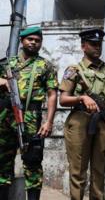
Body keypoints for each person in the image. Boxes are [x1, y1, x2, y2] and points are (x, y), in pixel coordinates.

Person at [59, 28, 105, 200]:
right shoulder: (74, 70)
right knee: (78, 170)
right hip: (80, 121)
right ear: (83, 46)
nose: (97, 48)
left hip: (104, 122)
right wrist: (81, 98)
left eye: (99, 44)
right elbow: (63, 99)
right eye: (93, 44)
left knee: (99, 170)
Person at [0, 26, 58, 200]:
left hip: (31, 119)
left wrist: (49, 122)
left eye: (37, 40)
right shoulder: (6, 64)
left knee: (33, 162)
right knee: (2, 163)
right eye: (30, 39)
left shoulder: (45, 65)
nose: (33, 42)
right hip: (4, 117)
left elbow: (52, 94)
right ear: (22, 41)